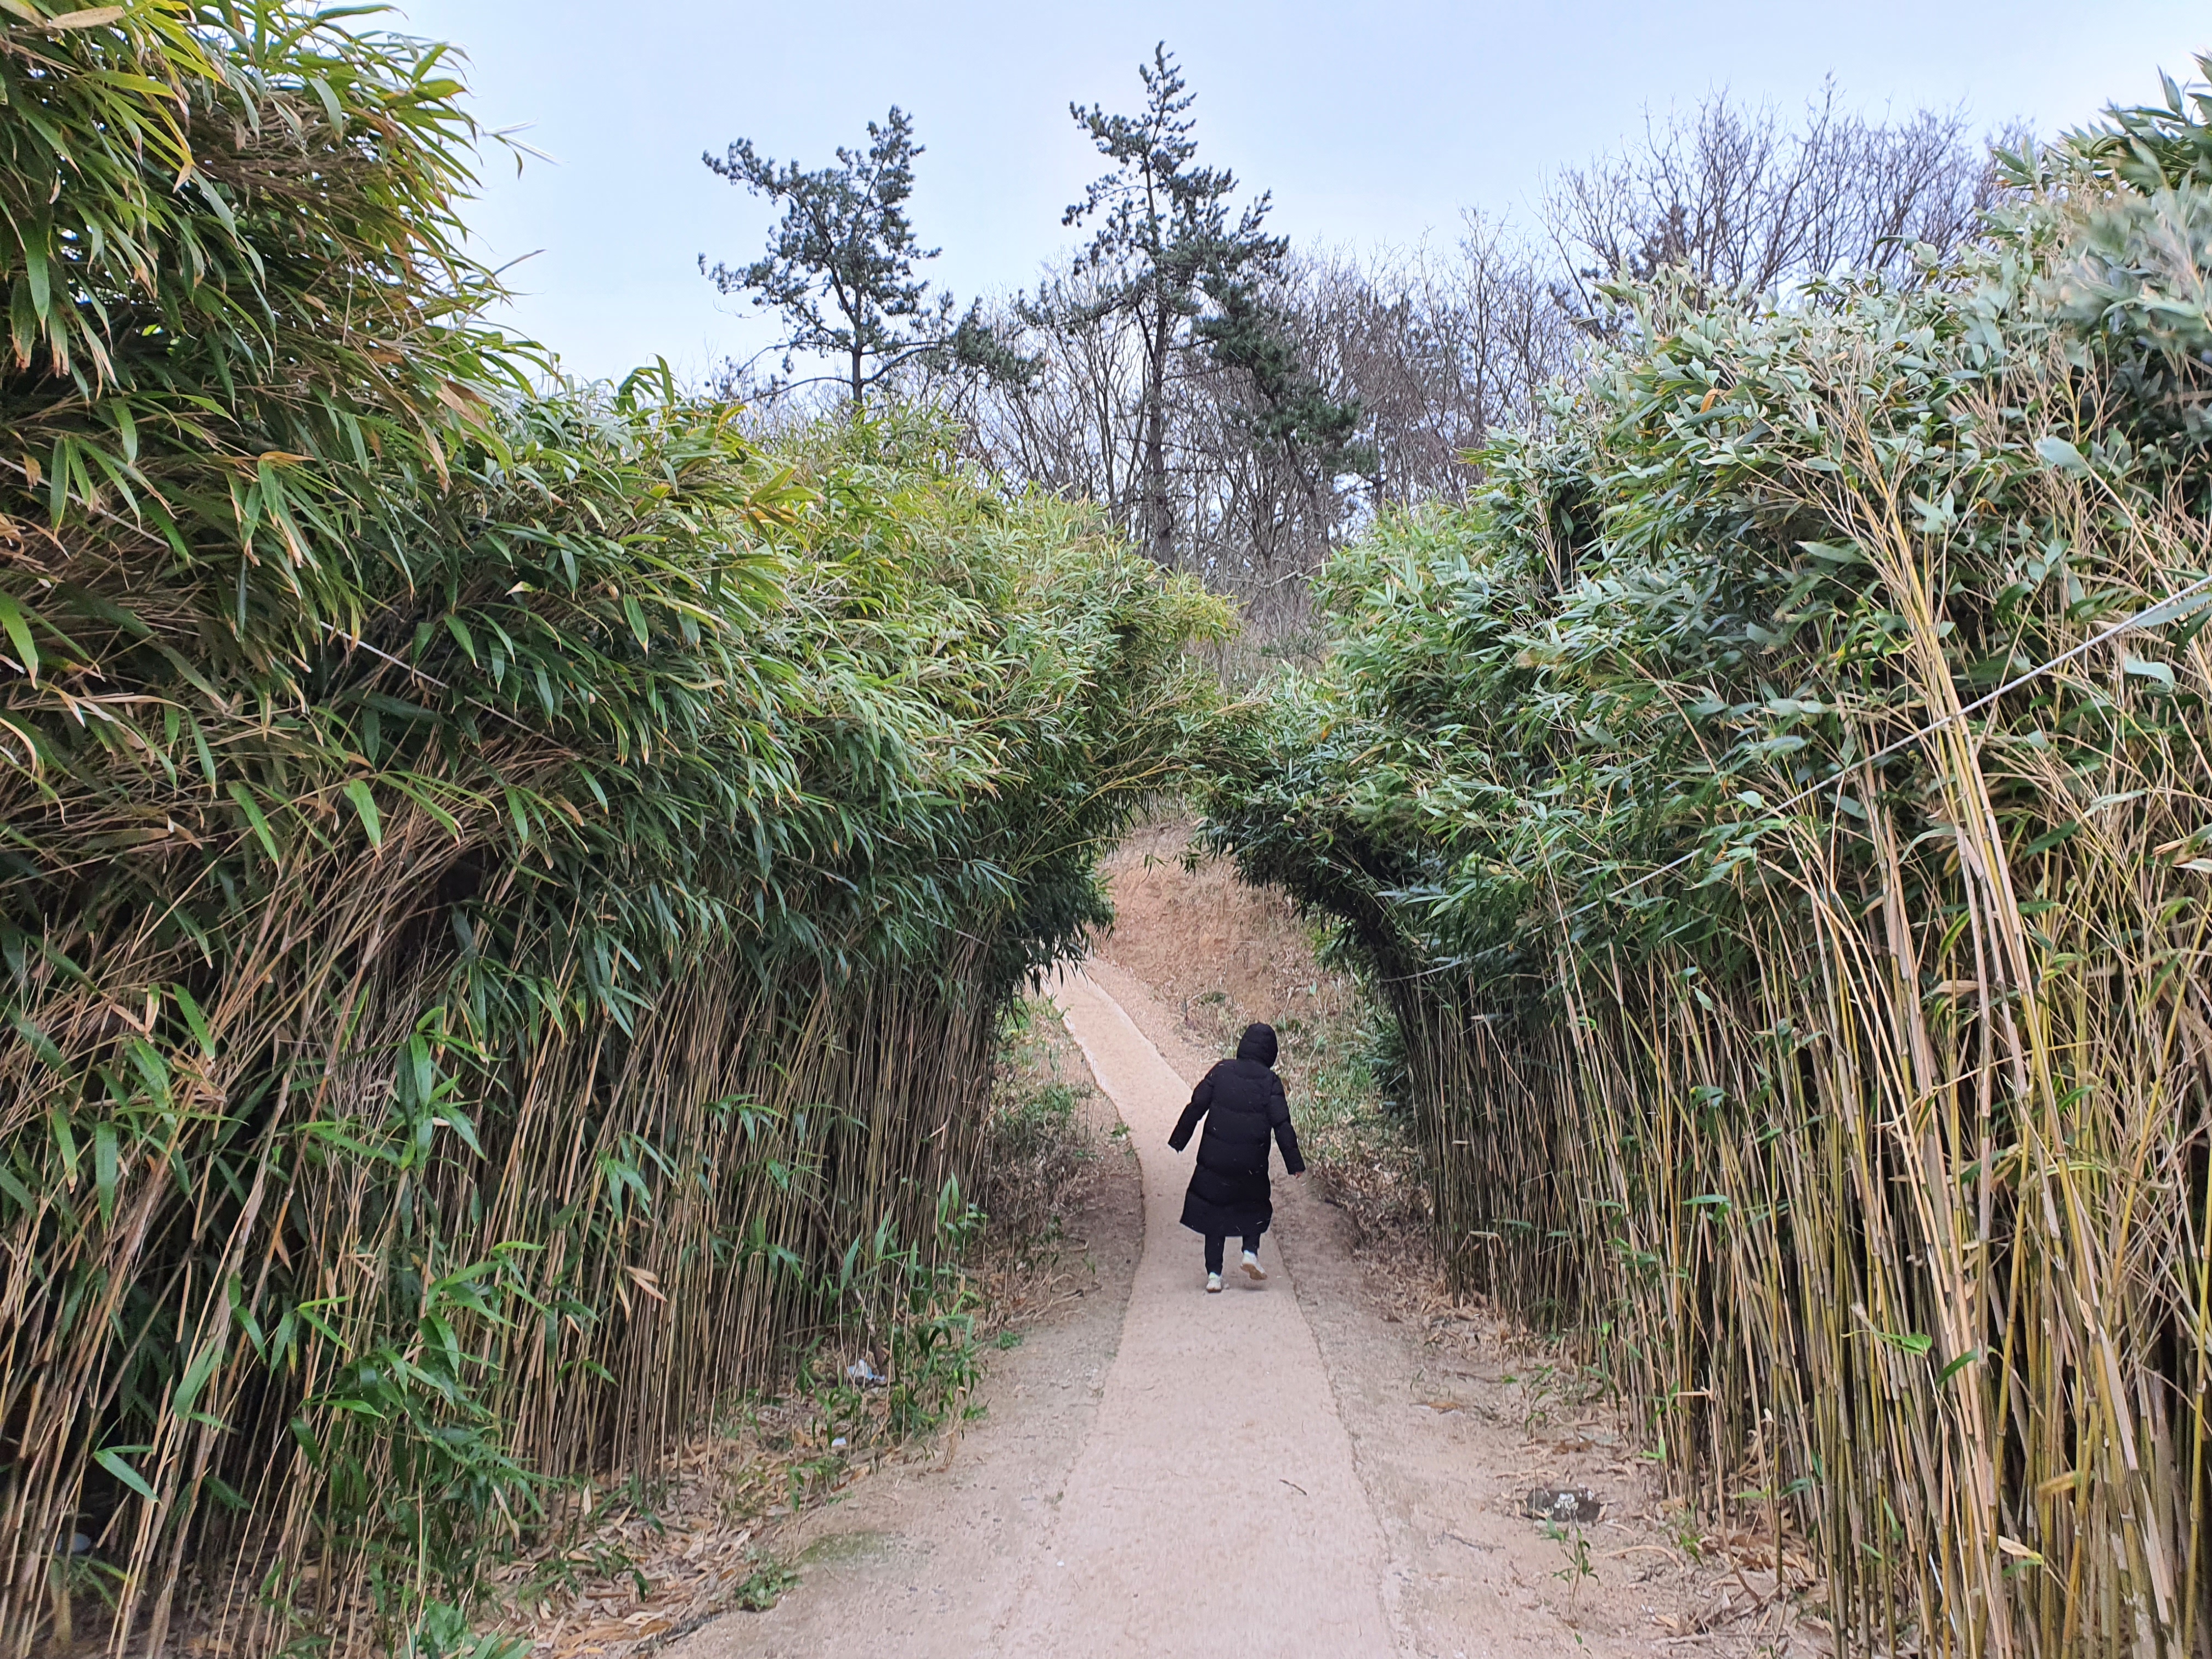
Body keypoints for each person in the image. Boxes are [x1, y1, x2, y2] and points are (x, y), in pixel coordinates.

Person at [1168, 1021, 1305, 1293]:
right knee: (1253, 1204)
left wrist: (1179, 1140)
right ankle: (1250, 1253)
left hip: (1215, 1160)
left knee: (1214, 1215)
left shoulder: (1221, 1071)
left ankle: (1214, 1276)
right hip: (1251, 1163)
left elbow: (1196, 1106)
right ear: (1270, 1054)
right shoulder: (1270, 1083)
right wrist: (1295, 1164)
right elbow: (1283, 1125)